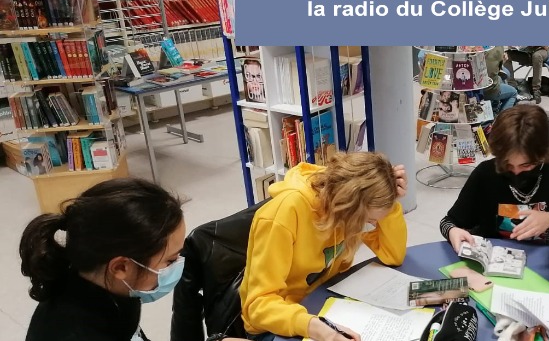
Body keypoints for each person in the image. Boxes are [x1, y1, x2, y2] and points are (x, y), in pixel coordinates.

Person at [20, 178, 218, 341]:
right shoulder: (75, 330)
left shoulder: (98, 288)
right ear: (121, 267)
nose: (178, 265)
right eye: (170, 261)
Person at [239, 152, 408, 341]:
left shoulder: (345, 205)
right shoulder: (284, 214)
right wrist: (314, 327)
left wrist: (390, 204)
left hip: (320, 307)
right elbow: (257, 307)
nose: (368, 227)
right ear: (349, 207)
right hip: (276, 326)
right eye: (368, 221)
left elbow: (394, 256)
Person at [439, 104, 549, 252]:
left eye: (526, 165)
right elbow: (448, 222)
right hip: (497, 261)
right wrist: (453, 231)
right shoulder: (486, 173)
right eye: (508, 164)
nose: (516, 172)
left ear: (543, 154)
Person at [481, 45, 518, 113]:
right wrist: (502, 60)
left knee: (503, 76)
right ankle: (502, 117)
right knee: (513, 92)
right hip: (486, 89)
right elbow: (495, 68)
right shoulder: (497, 48)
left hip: (470, 86)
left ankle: (495, 106)